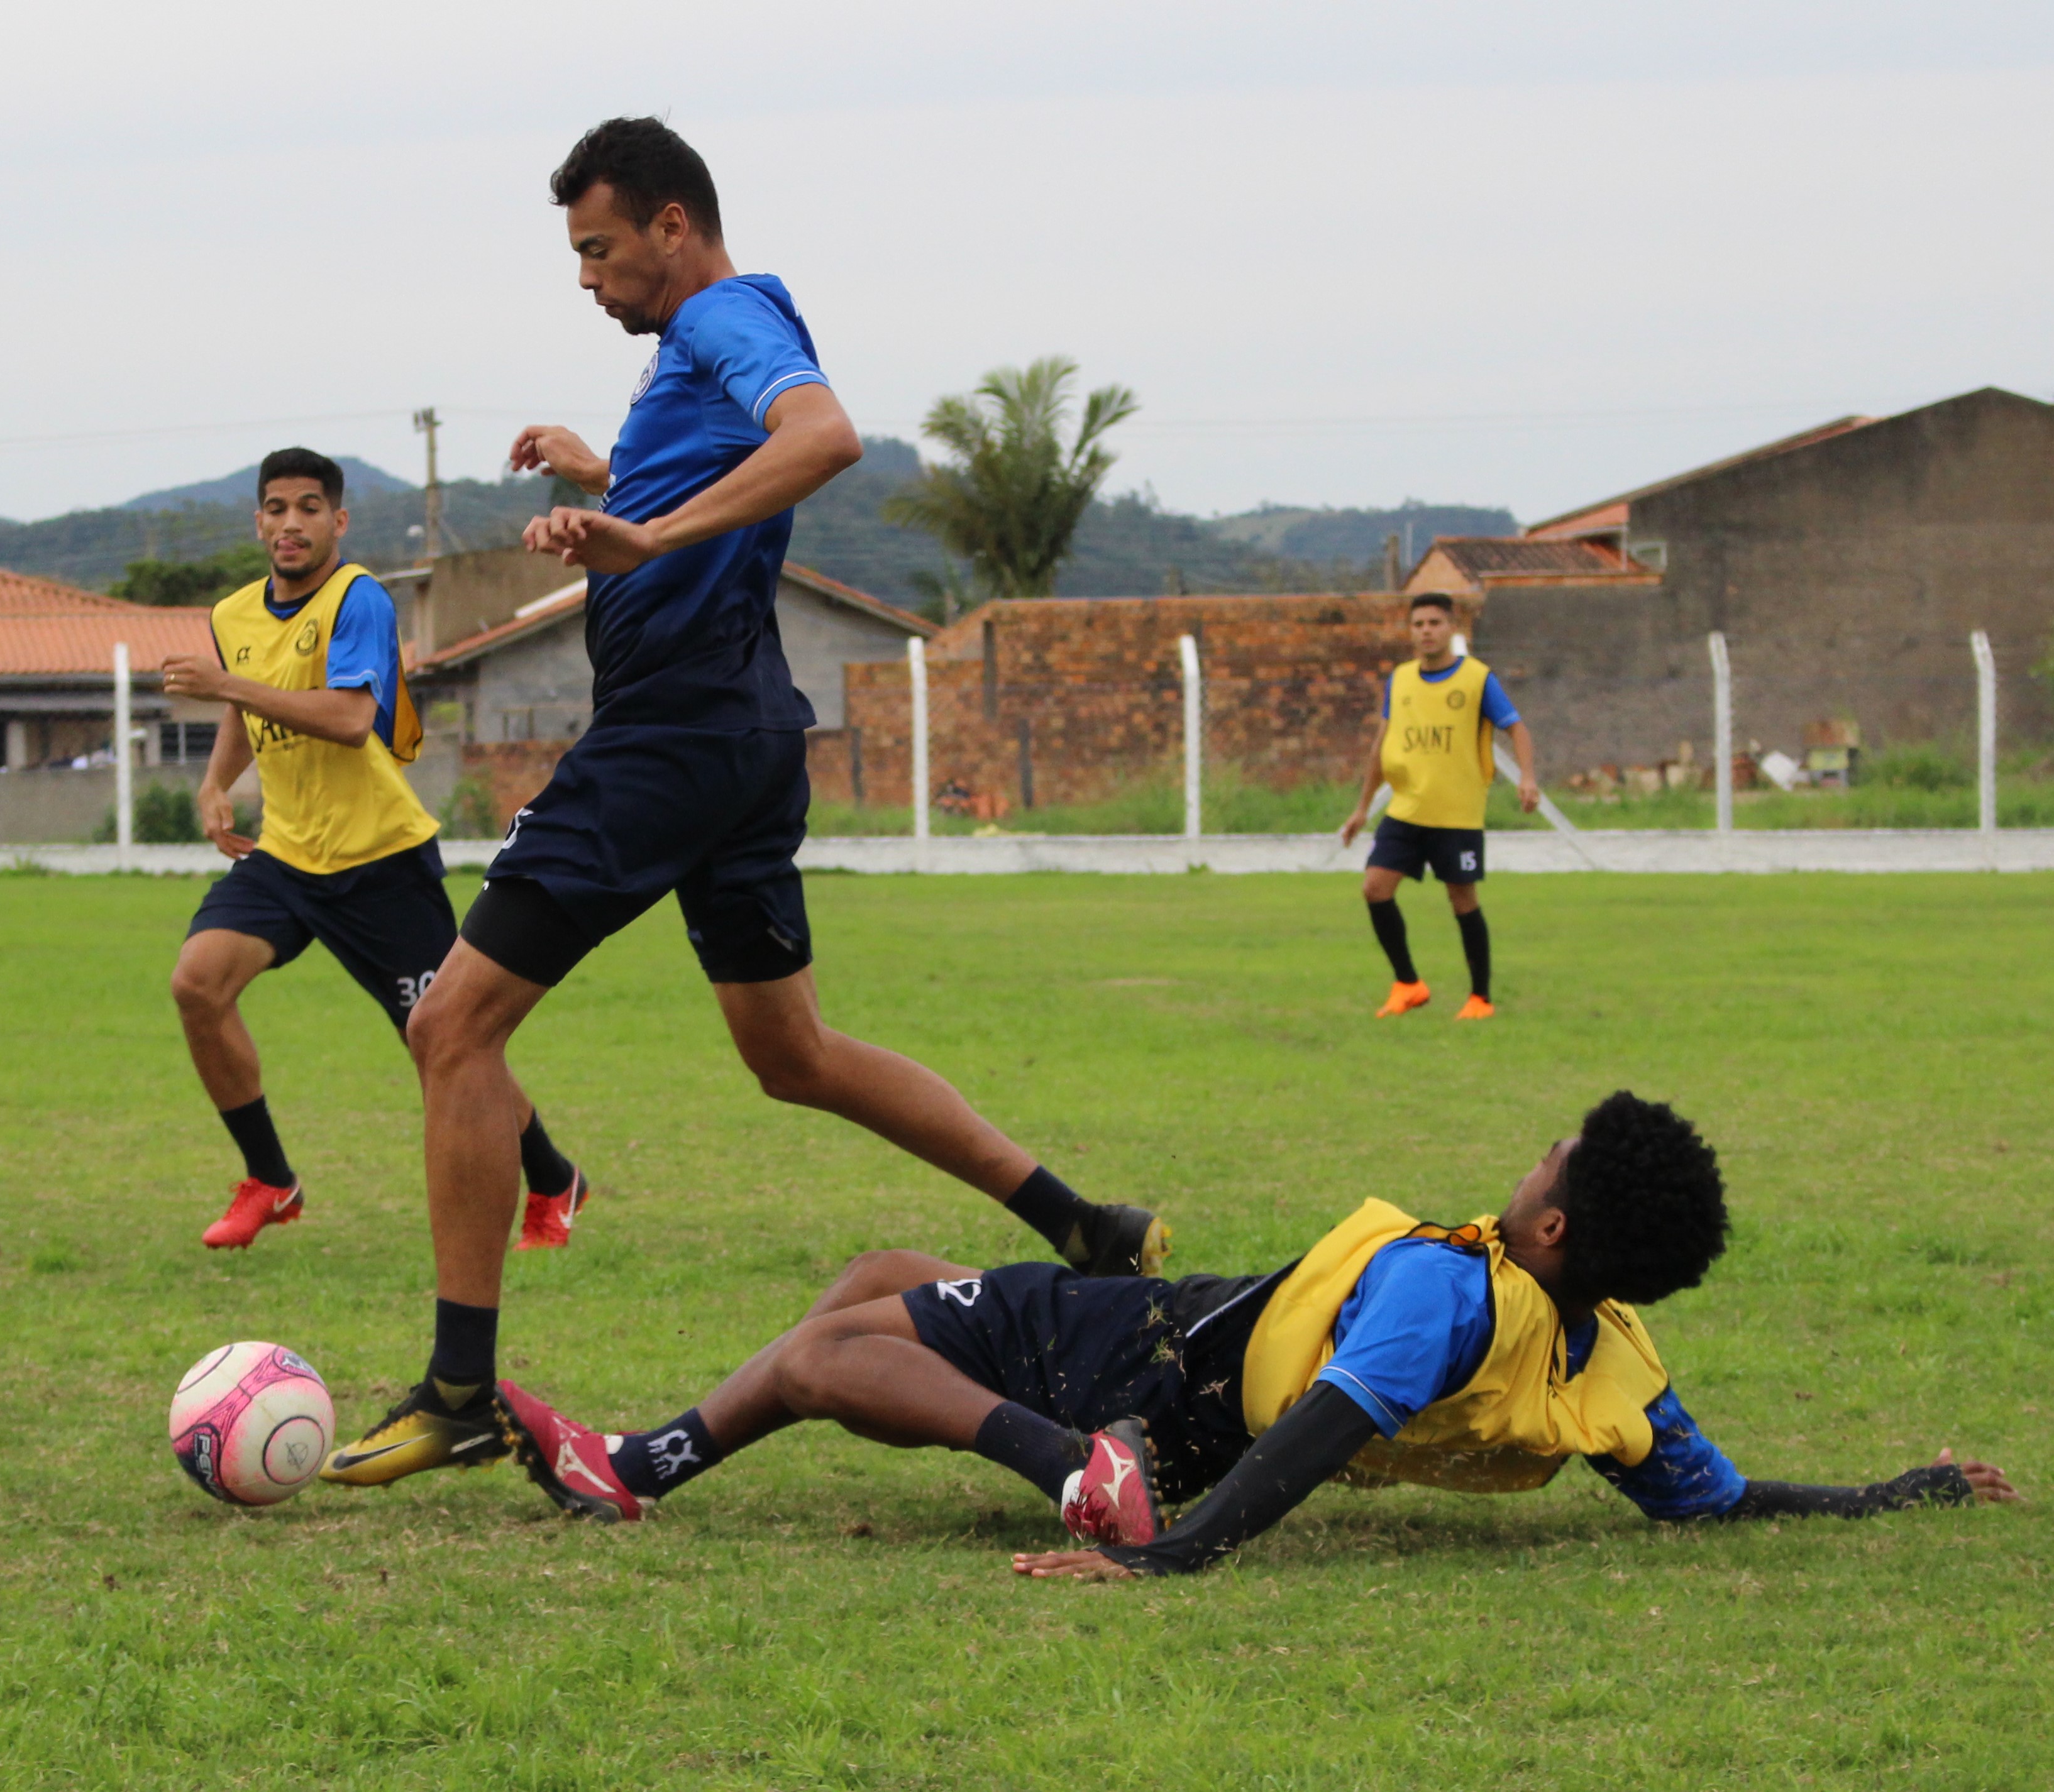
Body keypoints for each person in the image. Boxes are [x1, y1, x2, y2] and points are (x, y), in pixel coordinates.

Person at [321, 117, 1160, 1487]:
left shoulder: (725, 312)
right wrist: (605, 480)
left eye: (596, 247)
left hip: (675, 731)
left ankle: (460, 1388)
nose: (584, 277)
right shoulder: (689, 355)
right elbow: (724, 473)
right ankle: (1082, 1226)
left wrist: (642, 532)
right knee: (792, 1054)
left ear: (669, 223)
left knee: (450, 1023)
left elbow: (821, 435)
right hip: (745, 729)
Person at [498, 1091, 2020, 1578]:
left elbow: (1322, 1433)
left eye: (1554, 1158)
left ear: (1554, 1222)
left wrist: (1168, 1549)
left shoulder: (1451, 1284)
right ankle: (1073, 1454)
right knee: (876, 1280)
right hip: (1182, 1388)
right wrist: (1910, 1487)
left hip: (1158, 1361)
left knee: (834, 1350)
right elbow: (1722, 1497)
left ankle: (632, 1468)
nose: (1535, 1159)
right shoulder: (1609, 1362)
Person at [159, 448, 586, 1255]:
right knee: (197, 983)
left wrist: (229, 689)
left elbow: (352, 717)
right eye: (277, 508)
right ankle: (270, 1180)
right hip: (285, 855)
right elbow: (240, 711)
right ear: (258, 522)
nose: (292, 523)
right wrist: (217, 785)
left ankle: (553, 1175)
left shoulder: (359, 600)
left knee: (446, 1045)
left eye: (310, 508)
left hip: (380, 861)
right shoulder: (233, 616)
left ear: (338, 521)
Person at [1338, 592, 1538, 1020]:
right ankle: (1408, 983)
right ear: (1410, 631)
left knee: (1461, 899)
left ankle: (1479, 999)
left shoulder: (1476, 679)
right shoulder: (1401, 679)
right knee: (1374, 888)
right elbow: (1381, 744)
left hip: (1455, 813)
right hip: (1405, 810)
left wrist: (1527, 777)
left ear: (1450, 629)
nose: (1426, 630)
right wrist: (1361, 808)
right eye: (1418, 624)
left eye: (1434, 622)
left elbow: (1515, 727)